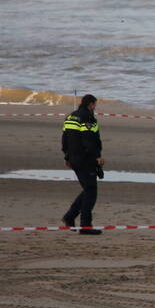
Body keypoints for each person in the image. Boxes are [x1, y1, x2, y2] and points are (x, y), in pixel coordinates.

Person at [61, 93, 105, 235]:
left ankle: (69, 217)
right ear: (90, 104)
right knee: (91, 192)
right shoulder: (88, 117)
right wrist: (97, 157)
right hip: (85, 159)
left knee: (87, 189)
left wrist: (67, 157)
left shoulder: (70, 116)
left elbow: (65, 139)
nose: (95, 108)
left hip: (73, 159)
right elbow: (89, 140)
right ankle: (85, 226)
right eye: (94, 105)